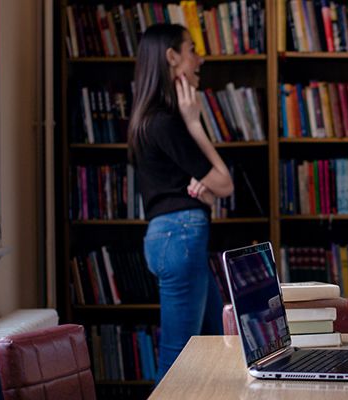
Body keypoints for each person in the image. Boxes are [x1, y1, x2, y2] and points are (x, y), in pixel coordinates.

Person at [128, 24, 233, 381]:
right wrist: (195, 124)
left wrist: (199, 183)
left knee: (221, 342)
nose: (199, 58)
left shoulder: (147, 118)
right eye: (191, 49)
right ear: (172, 57)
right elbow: (224, 183)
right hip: (180, 236)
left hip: (174, 237)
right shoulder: (165, 121)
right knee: (178, 358)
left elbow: (206, 183)